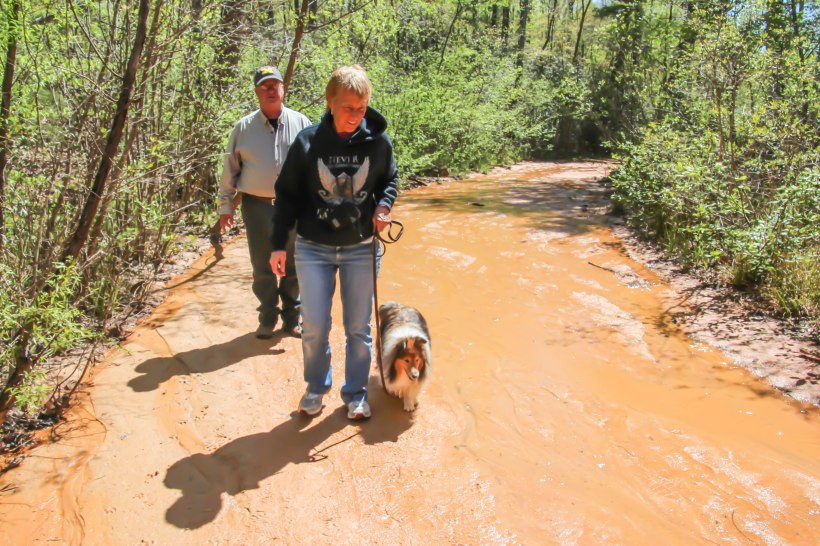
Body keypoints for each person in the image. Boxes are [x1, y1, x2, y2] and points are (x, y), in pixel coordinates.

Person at [269, 65, 398, 420]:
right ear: (330, 102)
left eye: (362, 108)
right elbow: (286, 195)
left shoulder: (378, 142)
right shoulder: (307, 142)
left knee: (358, 327)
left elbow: (390, 179)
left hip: (361, 247)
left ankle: (356, 394)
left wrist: (383, 207)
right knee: (314, 325)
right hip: (313, 247)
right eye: (348, 108)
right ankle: (316, 388)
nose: (356, 116)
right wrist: (278, 244)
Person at [219, 66, 311, 339]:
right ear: (257, 92)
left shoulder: (301, 123)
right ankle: (267, 317)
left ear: (283, 88)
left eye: (275, 85)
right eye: (264, 86)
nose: (270, 90)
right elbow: (230, 169)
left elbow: (313, 166)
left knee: (294, 263)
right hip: (257, 206)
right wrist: (226, 206)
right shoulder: (243, 128)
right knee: (262, 264)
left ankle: (292, 319)